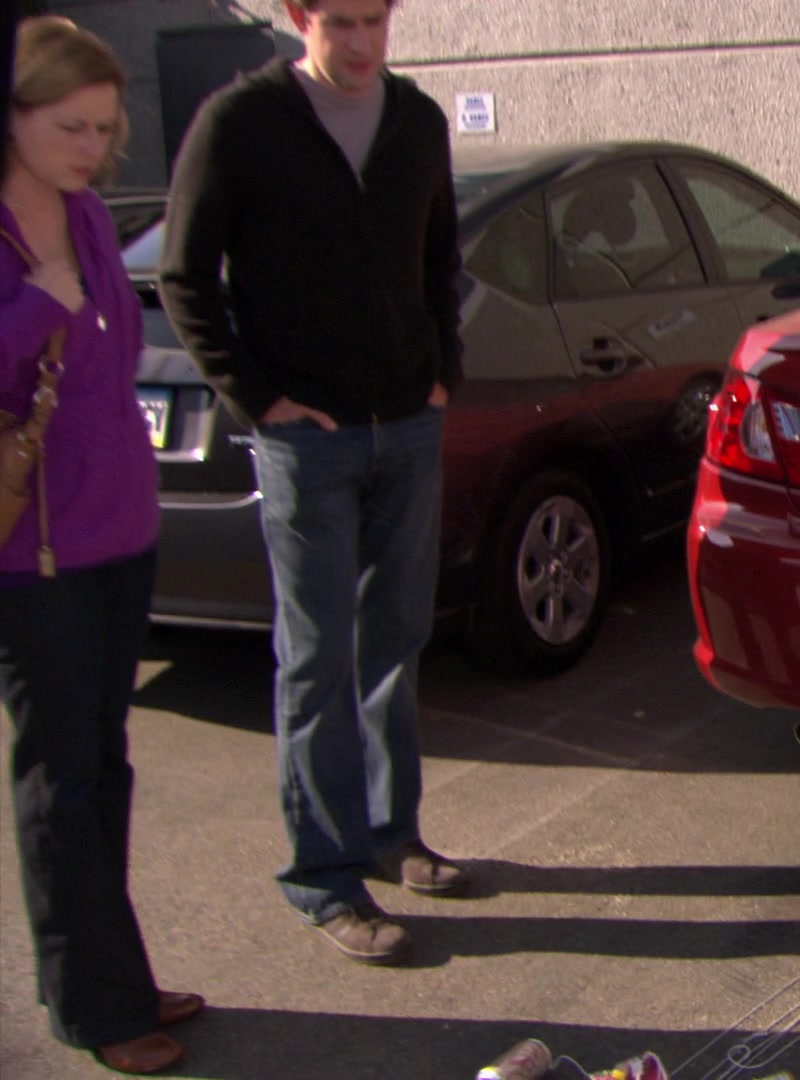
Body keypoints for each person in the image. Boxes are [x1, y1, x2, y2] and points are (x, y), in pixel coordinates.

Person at [159, 0, 468, 966]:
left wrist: (439, 372)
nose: (364, 41)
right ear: (299, 15)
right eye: (342, 20)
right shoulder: (240, 122)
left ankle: (392, 832)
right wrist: (259, 397)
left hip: (406, 430)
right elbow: (184, 276)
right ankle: (323, 876)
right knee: (317, 658)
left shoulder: (416, 120)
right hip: (309, 445)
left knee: (396, 640)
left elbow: (440, 261)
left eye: (377, 18)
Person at [2, 15, 205, 1075]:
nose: (90, 147)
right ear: (15, 114)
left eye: (104, 128)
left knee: (105, 767)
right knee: (61, 779)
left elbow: (112, 367)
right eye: (68, 125)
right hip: (31, 556)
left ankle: (115, 968)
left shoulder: (84, 216)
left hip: (117, 532)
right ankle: (93, 1002)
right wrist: (35, 300)